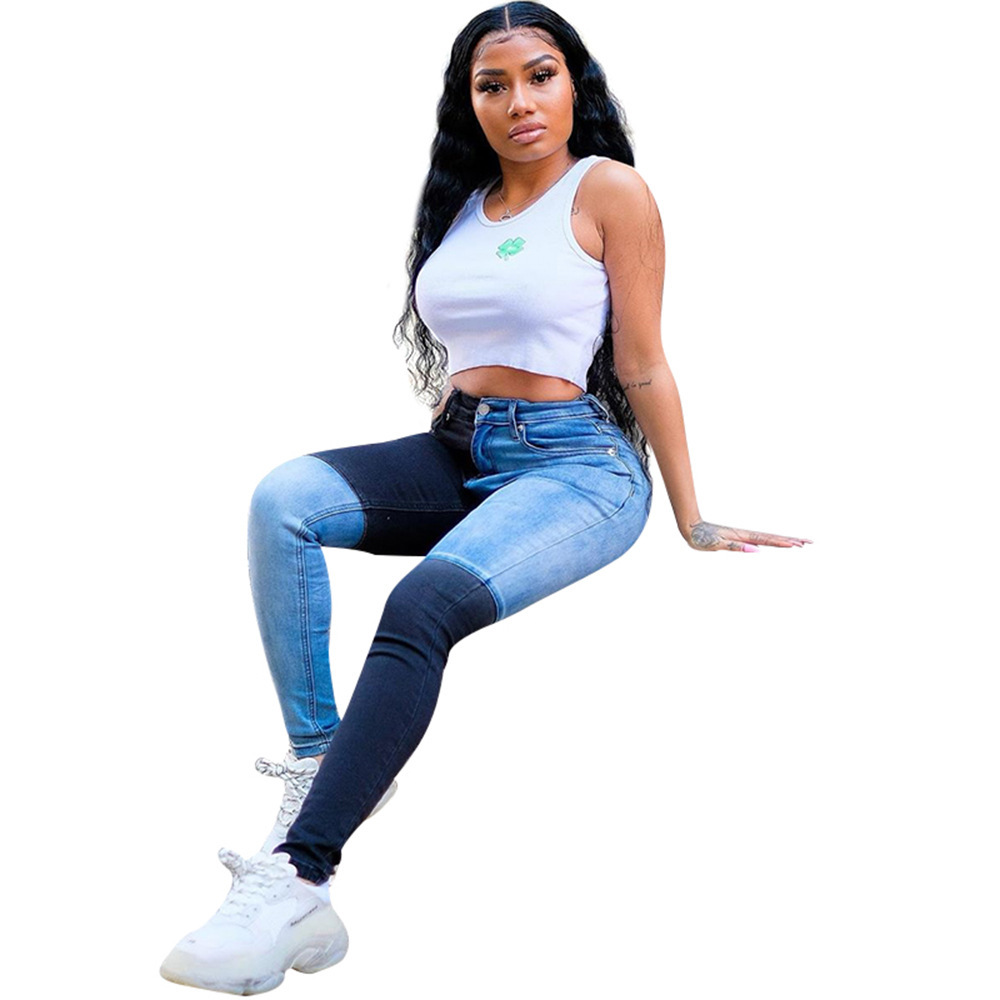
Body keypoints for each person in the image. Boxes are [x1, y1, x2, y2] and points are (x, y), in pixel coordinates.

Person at [160, 3, 812, 994]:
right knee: (282, 499)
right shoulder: (464, 203)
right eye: (492, 85)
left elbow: (642, 361)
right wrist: (464, 411)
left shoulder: (610, 190)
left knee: (420, 603)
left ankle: (298, 874)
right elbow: (471, 338)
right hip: (461, 446)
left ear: (575, 83)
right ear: (469, 102)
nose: (519, 102)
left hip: (577, 468)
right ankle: (322, 759)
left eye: (540, 76)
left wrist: (691, 516)